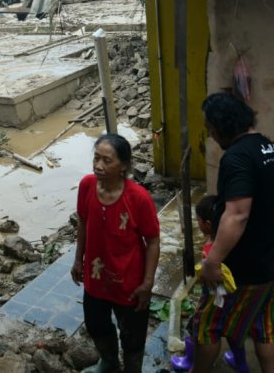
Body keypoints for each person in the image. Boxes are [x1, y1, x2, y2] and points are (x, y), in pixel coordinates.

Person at [191, 93, 274, 373]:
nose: (210, 136)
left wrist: (214, 261)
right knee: (265, 325)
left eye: (210, 129)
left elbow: (238, 213)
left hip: (242, 269)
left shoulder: (236, 157)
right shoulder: (271, 150)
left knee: (207, 327)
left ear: (222, 125)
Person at [71, 134, 160, 373]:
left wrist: (148, 283)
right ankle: (109, 362)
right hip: (96, 277)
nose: (98, 165)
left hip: (129, 282)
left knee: (132, 336)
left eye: (106, 160)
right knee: (96, 324)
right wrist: (78, 259)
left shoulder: (138, 198)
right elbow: (83, 222)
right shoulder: (87, 185)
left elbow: (152, 240)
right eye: (96, 158)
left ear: (124, 166)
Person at [171, 194, 249, 373]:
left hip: (215, 299)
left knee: (199, 329)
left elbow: (212, 283)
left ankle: (192, 362)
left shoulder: (210, 251)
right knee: (233, 331)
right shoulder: (231, 242)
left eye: (197, 220)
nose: (197, 224)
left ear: (206, 223)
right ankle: (241, 363)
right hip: (234, 297)